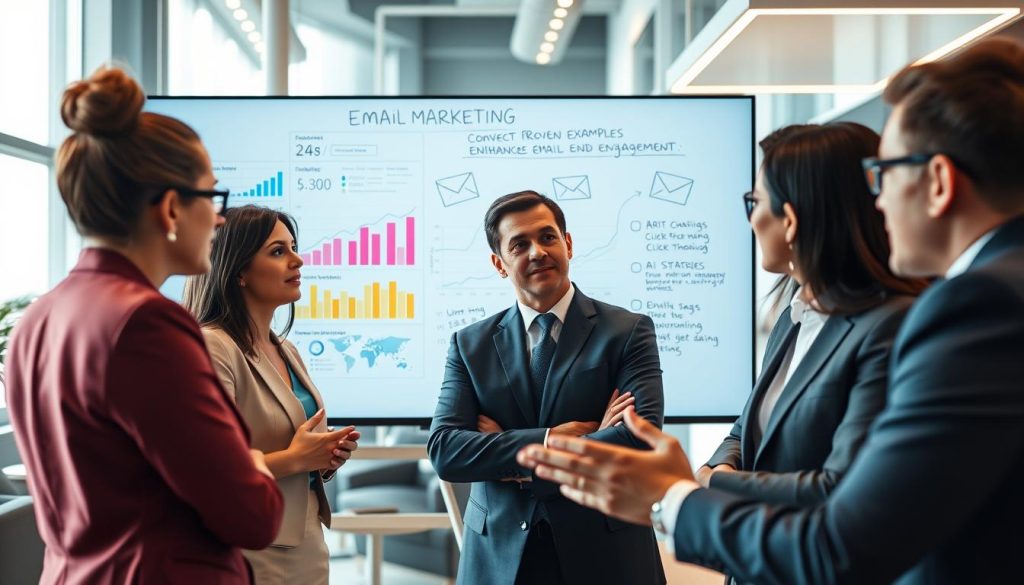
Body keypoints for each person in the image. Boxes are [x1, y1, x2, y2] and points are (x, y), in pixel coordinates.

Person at [517, 37, 1024, 584]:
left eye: (886, 174)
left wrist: (675, 495)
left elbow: (846, 534)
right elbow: (755, 426)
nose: (876, 200)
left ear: (940, 182)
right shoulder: (800, 313)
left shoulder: (973, 307)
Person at [4, 67, 284, 584]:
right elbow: (252, 513)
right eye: (212, 198)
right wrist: (256, 463)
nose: (219, 220)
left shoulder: (37, 319)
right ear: (172, 208)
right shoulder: (146, 324)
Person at [428, 190, 666, 585]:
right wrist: (555, 440)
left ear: (568, 243)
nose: (537, 252)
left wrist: (512, 457)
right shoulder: (470, 344)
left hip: (605, 553)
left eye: (548, 237)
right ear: (499, 264)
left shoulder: (628, 332)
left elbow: (638, 439)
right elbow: (446, 450)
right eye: (519, 244)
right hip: (500, 558)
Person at [697, 122, 925, 520]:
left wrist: (713, 483)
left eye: (755, 202)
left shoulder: (890, 326)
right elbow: (749, 428)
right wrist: (719, 465)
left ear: (791, 219)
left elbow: (839, 487)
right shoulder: (794, 315)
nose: (750, 220)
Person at [183, 205, 359, 585]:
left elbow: (290, 446)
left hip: (304, 538)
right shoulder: (212, 347)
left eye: (293, 247)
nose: (297, 260)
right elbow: (206, 471)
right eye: (278, 251)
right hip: (252, 547)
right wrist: (295, 459)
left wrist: (324, 457)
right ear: (239, 270)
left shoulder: (285, 349)